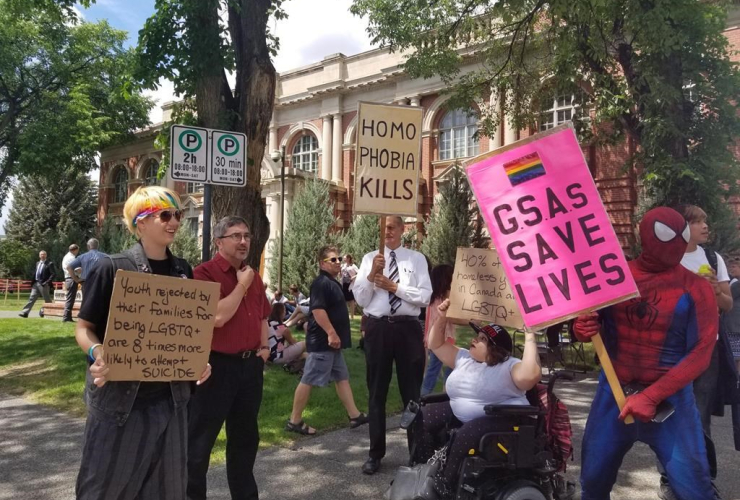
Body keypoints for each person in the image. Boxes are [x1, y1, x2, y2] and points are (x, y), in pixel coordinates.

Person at [73, 186, 211, 499]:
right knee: (105, 489)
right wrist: (98, 352)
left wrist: (198, 359)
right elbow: (84, 328)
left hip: (172, 402)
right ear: (141, 222)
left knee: (166, 491)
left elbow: (185, 333)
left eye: (176, 214)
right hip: (123, 402)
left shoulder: (183, 271)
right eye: (165, 215)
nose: (174, 221)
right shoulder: (112, 267)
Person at [573, 207, 718, 500]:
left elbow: (702, 352)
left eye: (681, 235)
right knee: (593, 483)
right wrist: (583, 327)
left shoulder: (696, 288)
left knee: (695, 489)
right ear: (644, 235)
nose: (675, 243)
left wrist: (652, 396)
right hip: (613, 395)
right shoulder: (613, 277)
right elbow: (589, 323)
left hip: (671, 400)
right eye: (668, 235)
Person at [416, 298, 541, 496]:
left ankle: (444, 485)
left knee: (468, 432)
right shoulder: (465, 357)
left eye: (482, 339)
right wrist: (441, 317)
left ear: (495, 349)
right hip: (462, 414)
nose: (474, 340)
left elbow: (530, 375)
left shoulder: (509, 366)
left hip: (503, 419)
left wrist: (530, 335)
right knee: (422, 417)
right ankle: (420, 471)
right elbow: (435, 344)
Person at [187, 216, 271, 500]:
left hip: (250, 367)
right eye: (236, 236)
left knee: (245, 441)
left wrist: (264, 348)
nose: (243, 241)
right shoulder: (204, 273)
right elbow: (218, 317)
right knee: (199, 443)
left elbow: (262, 315)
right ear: (219, 241)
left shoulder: (252, 275)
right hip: (215, 367)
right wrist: (242, 285)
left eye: (247, 235)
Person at [352, 216, 432, 475]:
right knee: (376, 391)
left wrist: (394, 287)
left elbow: (425, 297)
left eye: (391, 227)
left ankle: (416, 453)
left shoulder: (416, 259)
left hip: (407, 327)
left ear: (401, 230)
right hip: (378, 327)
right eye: (383, 228)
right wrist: (372, 275)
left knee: (412, 392)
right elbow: (362, 300)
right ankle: (375, 453)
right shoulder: (369, 258)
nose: (386, 232)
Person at [285, 246, 369, 435]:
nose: (338, 262)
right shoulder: (321, 283)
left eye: (339, 259)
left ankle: (354, 415)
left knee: (342, 377)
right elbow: (318, 310)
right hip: (323, 342)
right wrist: (331, 333)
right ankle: (295, 421)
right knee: (308, 379)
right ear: (322, 263)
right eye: (333, 260)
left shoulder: (333, 282)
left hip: (333, 344)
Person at [420, 264, 455, 396]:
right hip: (442, 339)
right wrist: (471, 321)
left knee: (444, 367)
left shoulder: (433, 297)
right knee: (435, 371)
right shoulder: (444, 300)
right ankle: (423, 398)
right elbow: (451, 317)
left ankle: (445, 391)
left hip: (435, 338)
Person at [19, 250, 55, 318]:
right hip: (36, 283)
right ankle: (25, 312)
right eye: (41, 254)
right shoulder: (37, 263)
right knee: (31, 298)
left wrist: (47, 282)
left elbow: (53, 274)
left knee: (47, 299)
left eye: (44, 254)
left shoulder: (49, 263)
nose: (42, 256)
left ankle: (43, 310)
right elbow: (36, 273)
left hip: (44, 284)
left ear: (46, 255)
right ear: (39, 256)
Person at [726, 255, 740, 372]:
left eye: (734, 267)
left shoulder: (736, 284)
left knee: (735, 355)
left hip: (734, 325)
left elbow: (728, 297)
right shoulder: (733, 282)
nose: (731, 269)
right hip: (734, 324)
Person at [61, 243, 80, 322]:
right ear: (75, 250)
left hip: (68, 278)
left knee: (70, 298)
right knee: (70, 299)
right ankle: (66, 317)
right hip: (71, 278)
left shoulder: (66, 257)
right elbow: (74, 269)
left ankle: (68, 317)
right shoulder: (71, 258)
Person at [341, 254, 359, 319]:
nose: (343, 259)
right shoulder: (343, 266)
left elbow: (359, 273)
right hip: (344, 284)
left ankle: (352, 316)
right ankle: (345, 315)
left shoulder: (353, 266)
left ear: (348, 258)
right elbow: (341, 273)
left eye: (345, 258)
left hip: (351, 284)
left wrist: (353, 277)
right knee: (344, 300)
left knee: (351, 300)